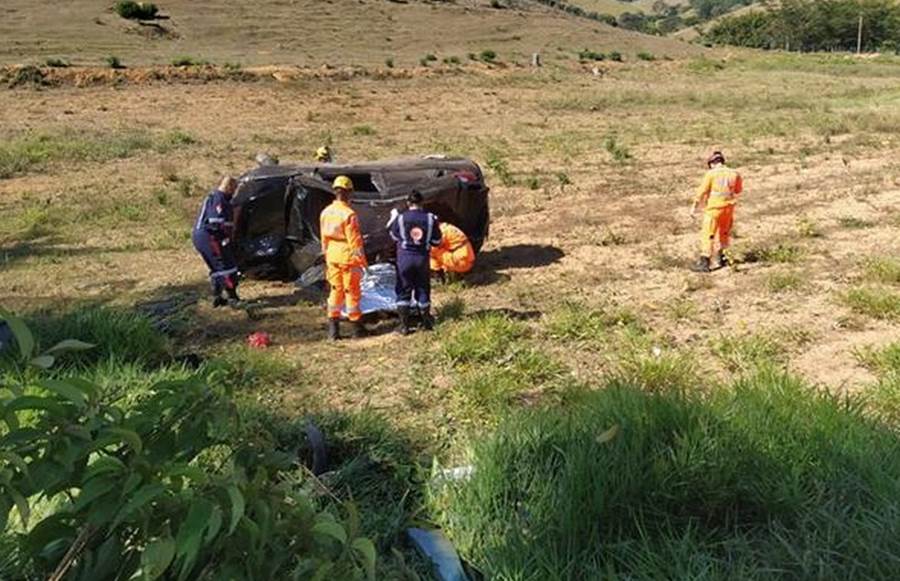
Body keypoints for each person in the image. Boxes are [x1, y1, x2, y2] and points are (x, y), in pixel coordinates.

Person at [320, 175, 368, 340]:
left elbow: (323, 238)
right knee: (351, 291)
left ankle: (333, 331)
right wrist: (363, 263)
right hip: (347, 256)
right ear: (349, 192)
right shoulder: (349, 214)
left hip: (332, 255)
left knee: (335, 290)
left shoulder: (325, 212)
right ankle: (357, 329)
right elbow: (355, 241)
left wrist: (326, 256)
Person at [389, 191, 442, 335]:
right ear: (422, 203)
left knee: (403, 290)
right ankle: (426, 322)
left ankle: (404, 326)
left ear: (408, 203)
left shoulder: (400, 218)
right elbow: (437, 241)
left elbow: (393, 235)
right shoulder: (431, 219)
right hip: (422, 259)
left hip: (404, 259)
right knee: (423, 288)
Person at [691, 151, 743, 273]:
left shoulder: (711, 174)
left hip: (714, 209)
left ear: (712, 163)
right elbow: (738, 190)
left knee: (708, 234)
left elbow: (701, 191)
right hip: (728, 209)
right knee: (724, 234)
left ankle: (705, 262)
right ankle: (724, 258)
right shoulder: (735, 173)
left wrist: (694, 207)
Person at [193, 176, 241, 307]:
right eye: (234, 188)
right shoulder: (219, 199)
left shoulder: (216, 197)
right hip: (210, 236)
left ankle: (218, 296)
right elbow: (216, 222)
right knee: (225, 263)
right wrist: (226, 238)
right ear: (229, 187)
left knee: (217, 265)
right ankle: (232, 296)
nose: (235, 192)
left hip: (205, 236)